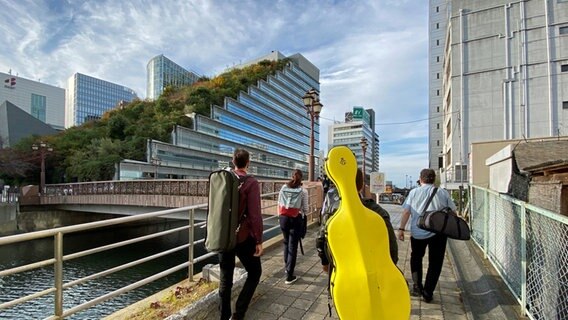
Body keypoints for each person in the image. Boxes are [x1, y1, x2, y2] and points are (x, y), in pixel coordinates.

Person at [317, 168, 398, 273]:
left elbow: (321, 239)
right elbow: (391, 244)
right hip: (371, 268)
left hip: (341, 269)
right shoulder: (377, 211)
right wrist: (391, 266)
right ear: (361, 186)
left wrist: (325, 262)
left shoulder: (332, 210)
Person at [397, 168, 457, 303]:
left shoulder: (414, 192)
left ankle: (417, 287)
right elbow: (453, 212)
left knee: (416, 258)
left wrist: (401, 229)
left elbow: (406, 212)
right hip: (438, 233)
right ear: (434, 179)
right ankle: (428, 292)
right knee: (435, 263)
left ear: (421, 179)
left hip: (418, 232)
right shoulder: (442, 193)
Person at [218, 148, 264, 320]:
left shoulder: (223, 179)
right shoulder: (251, 182)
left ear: (233, 161)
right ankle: (238, 314)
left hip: (222, 234)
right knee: (254, 272)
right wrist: (258, 239)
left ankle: (224, 316)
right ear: (248, 163)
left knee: (225, 279)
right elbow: (254, 214)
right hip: (242, 237)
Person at [277, 169, 309, 285]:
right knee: (292, 246)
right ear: (302, 178)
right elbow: (305, 209)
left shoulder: (284, 187)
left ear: (292, 176)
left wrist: (279, 216)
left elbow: (279, 203)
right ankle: (289, 276)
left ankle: (287, 267)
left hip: (283, 218)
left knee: (286, 242)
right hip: (295, 219)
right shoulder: (303, 191)